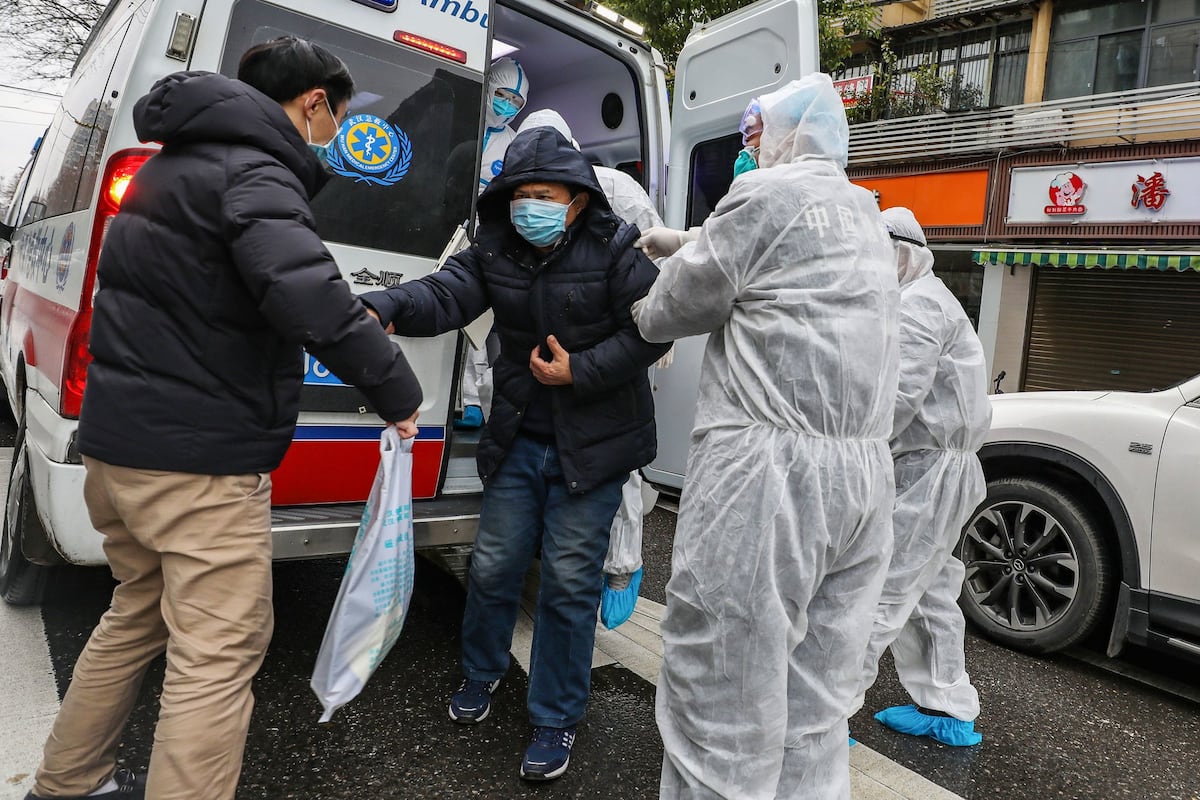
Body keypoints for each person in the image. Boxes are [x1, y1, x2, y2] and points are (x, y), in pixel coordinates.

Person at [24, 39, 423, 800]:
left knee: (134, 614)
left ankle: (65, 783)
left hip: (122, 449)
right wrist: (397, 395)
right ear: (314, 102)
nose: (334, 132)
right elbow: (310, 294)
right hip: (197, 464)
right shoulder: (256, 172)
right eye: (337, 116)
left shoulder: (173, 165)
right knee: (218, 652)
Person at [361, 126, 669, 781]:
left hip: (595, 449)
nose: (530, 206)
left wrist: (579, 371)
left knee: (567, 584)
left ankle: (556, 717)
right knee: (495, 566)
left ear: (577, 200)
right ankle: (481, 671)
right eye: (520, 194)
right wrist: (384, 306)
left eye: (545, 195)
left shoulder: (616, 247)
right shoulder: (496, 245)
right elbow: (445, 295)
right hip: (521, 437)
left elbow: (651, 331)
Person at [631, 74, 900, 800]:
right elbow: (785, 258)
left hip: (767, 478)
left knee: (720, 695)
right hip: (863, 484)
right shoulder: (866, 214)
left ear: (788, 136)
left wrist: (651, 283)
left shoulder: (760, 197)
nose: (748, 151)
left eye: (755, 136)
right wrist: (688, 237)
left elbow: (672, 309)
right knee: (815, 705)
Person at [516, 108, 664, 628]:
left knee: (611, 461)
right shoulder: (522, 194)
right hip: (552, 349)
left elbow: (655, 263)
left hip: (614, 344)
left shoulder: (616, 190)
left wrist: (649, 332)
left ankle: (621, 567)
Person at [849, 206, 991, 747]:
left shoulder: (919, 308)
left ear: (904, 253)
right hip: (929, 468)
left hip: (928, 471)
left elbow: (895, 401)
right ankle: (948, 705)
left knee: (879, 589)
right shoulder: (918, 301)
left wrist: (846, 453)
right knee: (927, 589)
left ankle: (822, 716)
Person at [455, 57, 532, 430]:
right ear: (488, 88)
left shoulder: (514, 143)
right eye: (502, 94)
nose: (507, 106)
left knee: (476, 321)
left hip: (486, 240)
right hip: (446, 231)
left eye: (516, 102)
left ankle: (471, 402)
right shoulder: (459, 119)